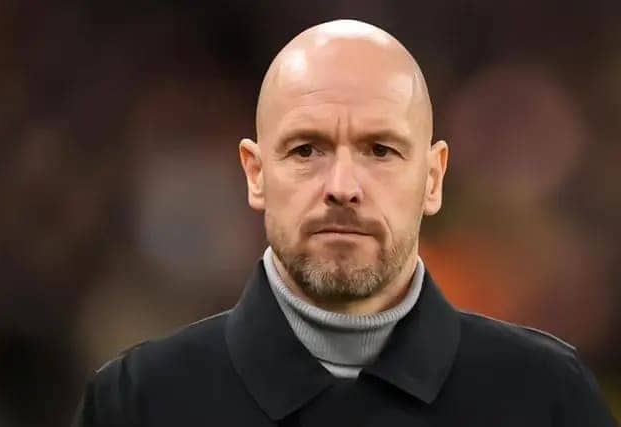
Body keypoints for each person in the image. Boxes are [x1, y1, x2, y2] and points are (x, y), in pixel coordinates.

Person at [72, 19, 617, 426]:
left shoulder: (547, 398)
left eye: (380, 150)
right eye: (306, 149)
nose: (342, 186)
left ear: (432, 179)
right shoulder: (138, 404)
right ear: (256, 174)